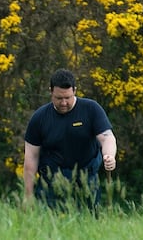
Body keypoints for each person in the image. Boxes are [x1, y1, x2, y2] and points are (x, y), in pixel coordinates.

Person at [23, 68, 117, 209]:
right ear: (51, 92)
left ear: (75, 91)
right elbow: (31, 157)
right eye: (59, 98)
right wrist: (28, 196)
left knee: (88, 225)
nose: (63, 103)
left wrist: (109, 155)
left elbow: (107, 137)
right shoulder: (39, 118)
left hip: (86, 182)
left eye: (67, 98)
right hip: (51, 185)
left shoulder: (91, 109)